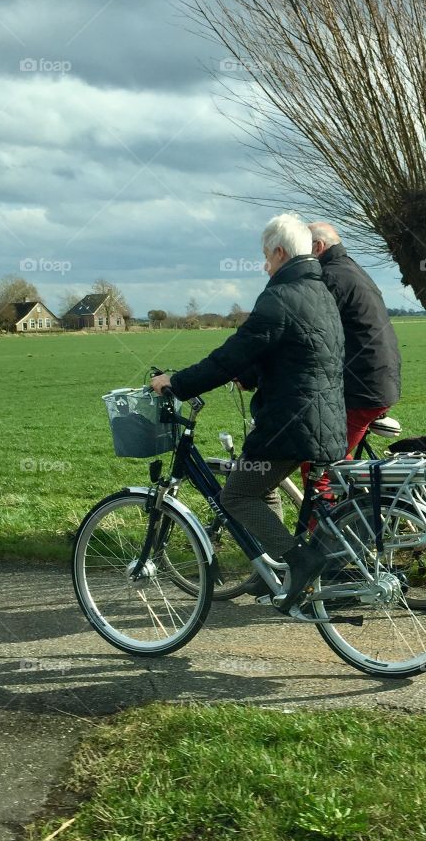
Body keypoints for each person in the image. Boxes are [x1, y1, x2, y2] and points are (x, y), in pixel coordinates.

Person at [150, 213, 346, 608]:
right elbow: (292, 352)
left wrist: (176, 382)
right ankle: (276, 571)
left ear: (279, 252)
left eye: (266, 256)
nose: (264, 265)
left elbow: (230, 355)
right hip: (323, 418)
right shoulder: (320, 292)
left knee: (236, 496)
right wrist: (253, 376)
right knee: (261, 487)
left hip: (289, 424)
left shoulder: (279, 295)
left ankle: (300, 561)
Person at [308, 221, 402, 457]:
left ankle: (327, 494)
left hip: (361, 388)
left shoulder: (331, 276)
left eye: (301, 248)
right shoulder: (349, 269)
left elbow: (311, 332)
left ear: (318, 246)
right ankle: (350, 491)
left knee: (319, 459)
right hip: (374, 380)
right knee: (332, 454)